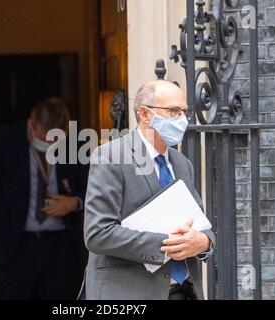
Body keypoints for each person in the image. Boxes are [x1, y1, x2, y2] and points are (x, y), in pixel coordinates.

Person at [80, 80, 215, 300]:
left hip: (186, 291)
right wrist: (168, 244)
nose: (182, 119)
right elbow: (97, 233)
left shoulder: (182, 163)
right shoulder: (111, 157)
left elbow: (202, 225)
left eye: (184, 112)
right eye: (173, 111)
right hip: (129, 294)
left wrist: (203, 242)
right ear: (145, 114)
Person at [0, 97, 88, 300]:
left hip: (60, 246)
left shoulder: (77, 143)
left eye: (54, 143)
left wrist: (75, 203)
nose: (48, 146)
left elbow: (92, 187)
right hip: (15, 246)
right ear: (31, 123)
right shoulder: (4, 140)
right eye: (43, 140)